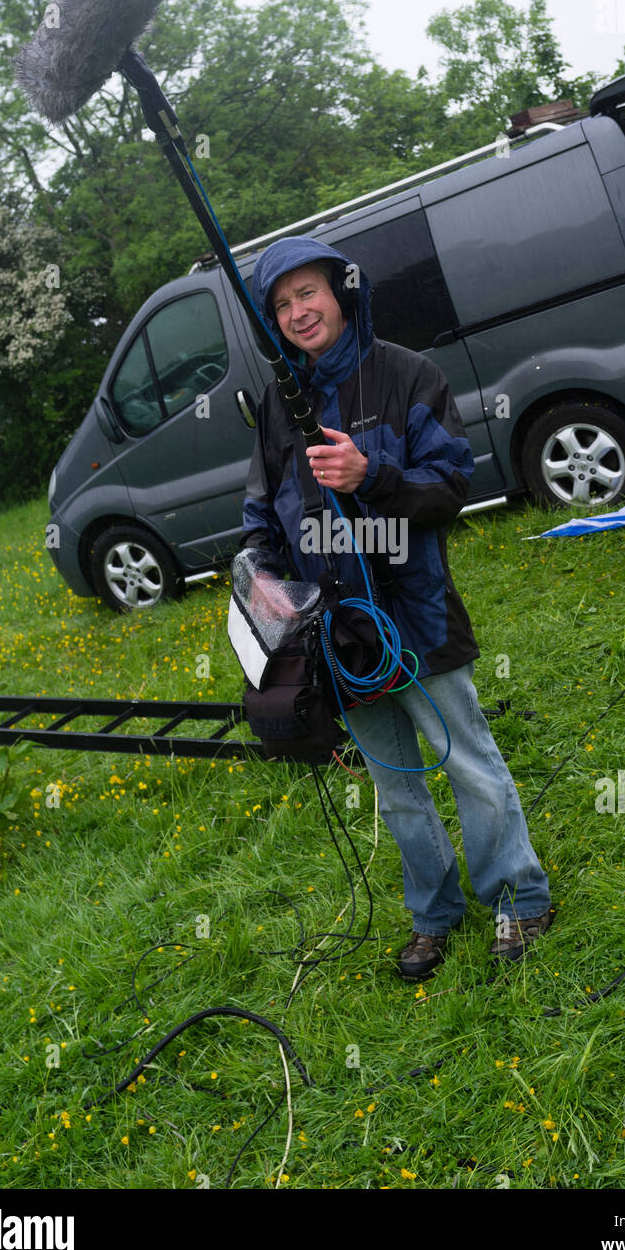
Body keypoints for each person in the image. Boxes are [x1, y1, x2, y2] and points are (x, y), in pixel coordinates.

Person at [239, 235, 552, 979]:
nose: (297, 312)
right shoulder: (283, 407)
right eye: (281, 304)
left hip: (415, 615)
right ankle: (433, 916)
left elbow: (448, 489)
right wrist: (257, 574)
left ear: (342, 294)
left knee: (468, 763)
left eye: (307, 293)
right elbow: (261, 513)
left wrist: (368, 473)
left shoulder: (407, 375)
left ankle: (519, 897)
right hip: (337, 637)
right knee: (395, 785)